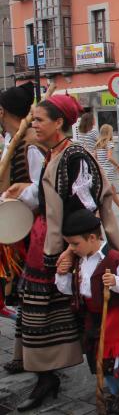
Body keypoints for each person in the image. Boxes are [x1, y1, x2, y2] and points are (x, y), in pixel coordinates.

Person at [11, 94, 119, 412]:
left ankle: (116, 379)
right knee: (39, 315)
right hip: (46, 246)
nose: (33, 125)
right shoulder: (54, 154)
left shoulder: (75, 157)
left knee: (91, 317)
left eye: (39, 120)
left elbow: (84, 212)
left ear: (59, 123)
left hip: (68, 249)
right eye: (32, 120)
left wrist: (71, 253)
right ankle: (46, 377)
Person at [55, 209, 119, 413]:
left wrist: (115, 282)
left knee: (110, 360)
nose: (72, 249)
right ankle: (113, 391)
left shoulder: (116, 258)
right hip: (91, 317)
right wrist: (62, 275)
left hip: (112, 316)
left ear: (92, 238)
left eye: (75, 244)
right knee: (97, 361)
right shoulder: (79, 260)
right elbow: (70, 290)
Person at [0, 83, 43, 324]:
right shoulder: (12, 140)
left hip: (30, 229)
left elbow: (41, 188)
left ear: (3, 111)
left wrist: (16, 195)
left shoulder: (29, 144)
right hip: (17, 228)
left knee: (30, 289)